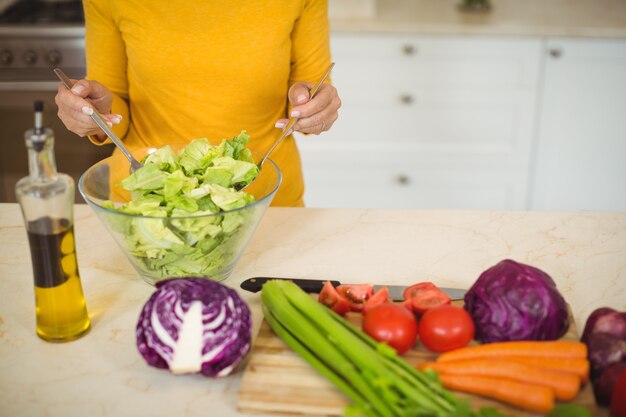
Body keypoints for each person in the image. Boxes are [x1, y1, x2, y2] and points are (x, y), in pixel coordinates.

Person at [55, 0, 341, 207]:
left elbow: (310, 88)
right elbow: (115, 105)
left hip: (264, 199)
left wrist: (312, 107)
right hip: (149, 204)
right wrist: (97, 112)